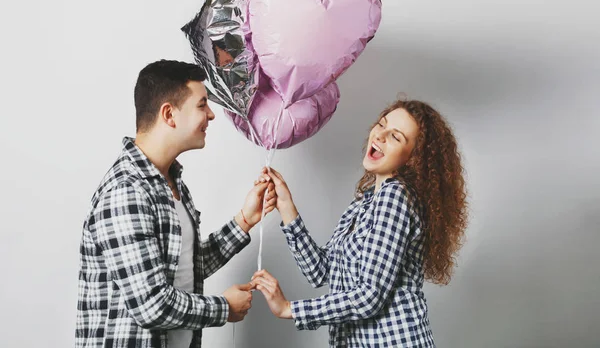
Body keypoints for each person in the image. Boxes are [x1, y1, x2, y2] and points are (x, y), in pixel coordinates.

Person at [76, 60, 276, 348]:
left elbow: (184, 267)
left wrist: (244, 220)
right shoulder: (127, 190)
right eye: (202, 104)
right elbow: (151, 305)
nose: (211, 115)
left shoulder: (172, 182)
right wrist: (224, 308)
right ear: (169, 114)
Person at [251, 99, 468, 347]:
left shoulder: (395, 197)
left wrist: (290, 309)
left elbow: (370, 296)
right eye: (381, 125)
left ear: (413, 159)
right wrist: (287, 207)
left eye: (396, 137)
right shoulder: (363, 204)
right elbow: (321, 272)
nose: (380, 136)